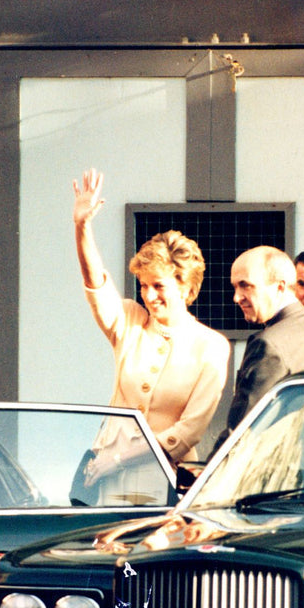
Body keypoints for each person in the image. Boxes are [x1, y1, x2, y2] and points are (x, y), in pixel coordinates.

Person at [73, 168, 230, 494]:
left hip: (165, 481)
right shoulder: (130, 320)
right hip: (107, 481)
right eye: (143, 285)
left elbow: (190, 429)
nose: (148, 294)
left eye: (158, 285)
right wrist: (82, 227)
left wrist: (119, 459)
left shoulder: (211, 346)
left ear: (186, 285)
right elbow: (95, 283)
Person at [213, 246, 304, 451]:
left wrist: (205, 474)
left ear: (280, 287)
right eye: (235, 287)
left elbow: (243, 432)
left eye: (246, 286)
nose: (237, 297)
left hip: (280, 476)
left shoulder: (269, 344)